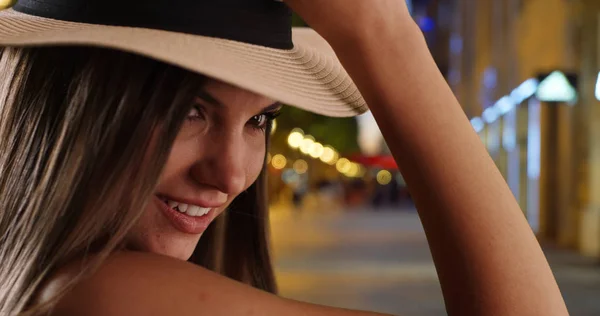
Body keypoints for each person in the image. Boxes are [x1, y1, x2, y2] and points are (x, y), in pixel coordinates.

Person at [0, 0, 569, 315]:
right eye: (188, 112)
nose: (231, 174)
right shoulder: (110, 294)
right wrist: (383, 31)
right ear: (73, 104)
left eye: (259, 120)